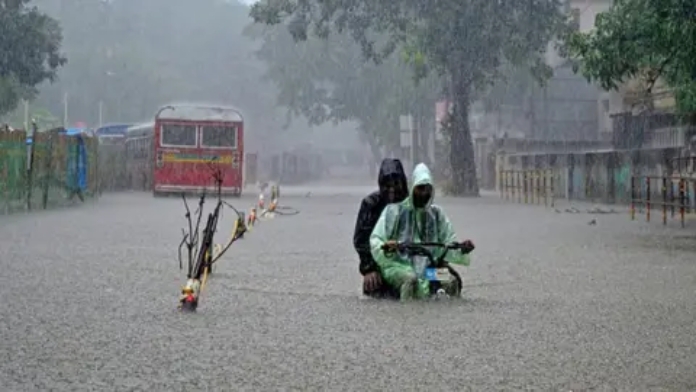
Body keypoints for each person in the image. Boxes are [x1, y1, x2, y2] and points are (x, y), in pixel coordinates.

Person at [369, 163, 474, 301]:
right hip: (400, 266)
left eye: (428, 189)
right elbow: (376, 239)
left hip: (429, 271)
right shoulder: (393, 211)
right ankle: (406, 316)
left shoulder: (437, 214)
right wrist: (387, 247)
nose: (424, 193)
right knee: (410, 280)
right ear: (412, 188)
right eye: (420, 188)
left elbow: (449, 241)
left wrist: (462, 248)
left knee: (451, 281)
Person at [353, 158, 409, 297]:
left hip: (420, 264)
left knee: (449, 279)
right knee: (375, 284)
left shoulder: (419, 207)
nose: (392, 190)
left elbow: (438, 236)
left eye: (396, 184)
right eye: (387, 185)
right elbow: (361, 240)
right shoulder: (371, 204)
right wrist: (369, 268)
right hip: (383, 267)